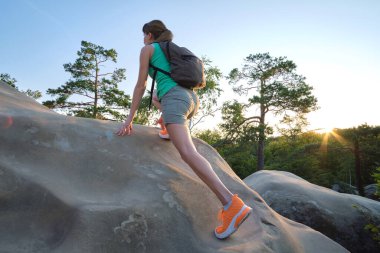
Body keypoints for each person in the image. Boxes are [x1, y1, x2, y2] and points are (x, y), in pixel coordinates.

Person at [116, 20, 251, 239]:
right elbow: (154, 90)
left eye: (144, 35)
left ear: (149, 35)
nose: (142, 39)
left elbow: (140, 85)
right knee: (156, 95)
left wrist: (129, 119)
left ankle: (231, 204)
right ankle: (167, 127)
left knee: (188, 153)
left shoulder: (147, 49)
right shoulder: (171, 49)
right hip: (190, 100)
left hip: (175, 100)